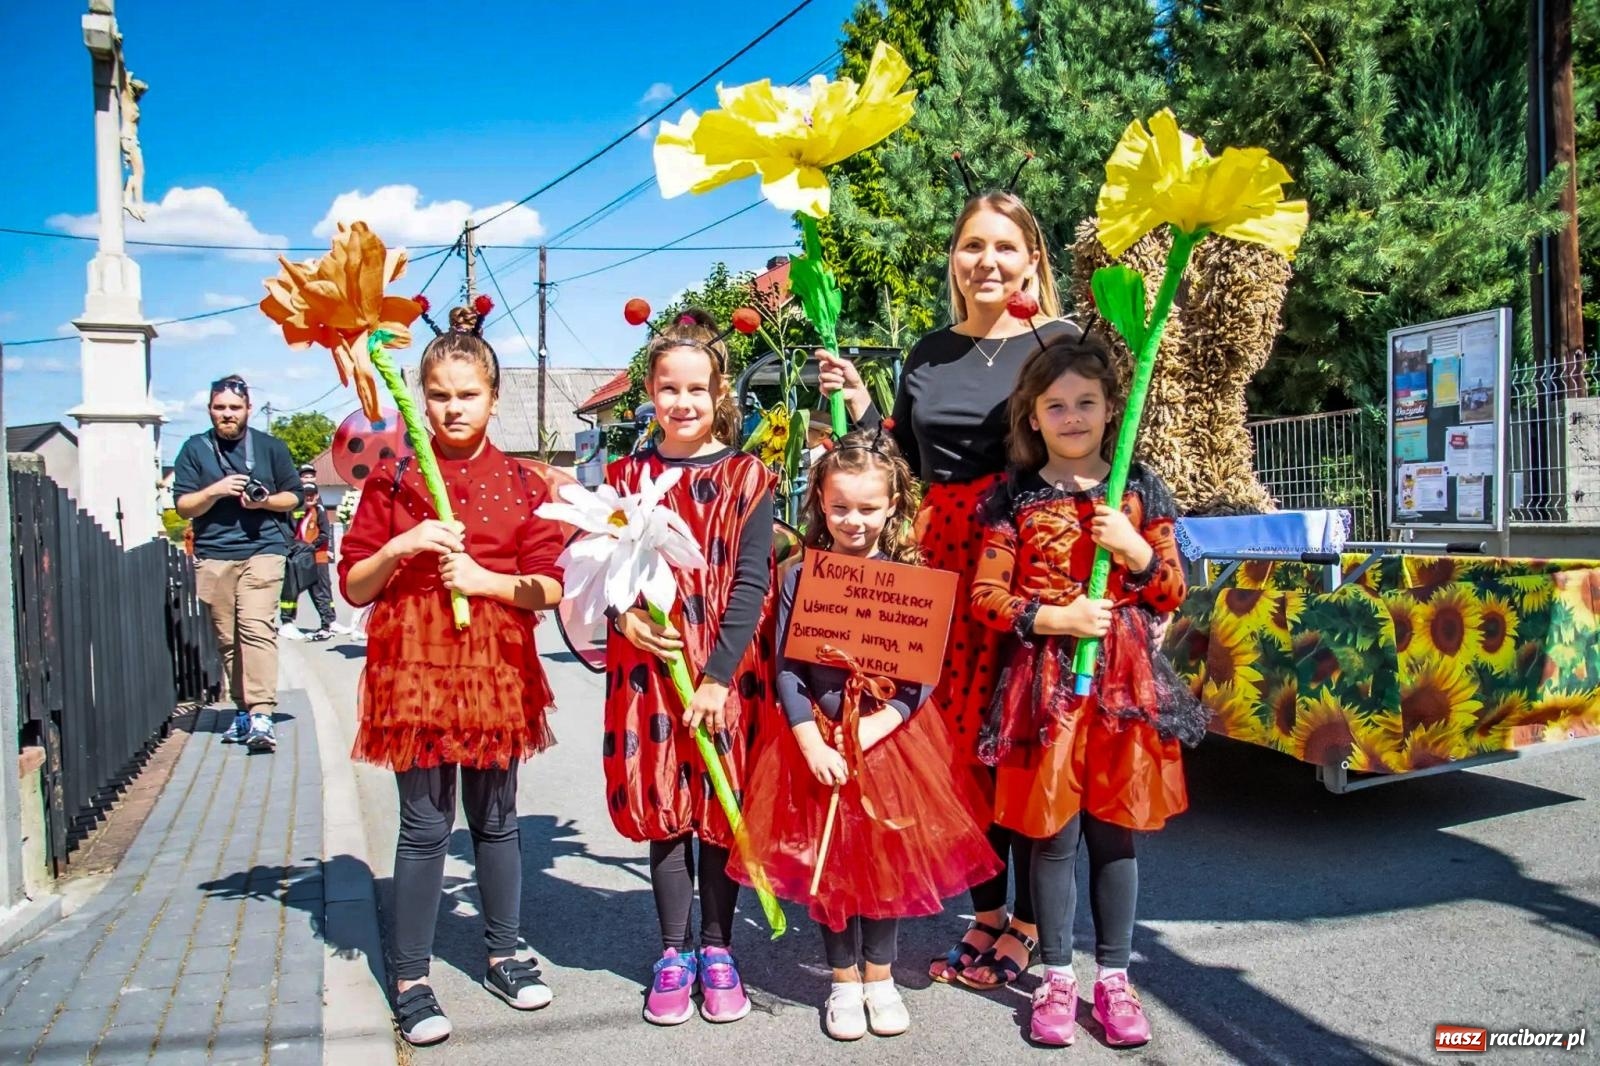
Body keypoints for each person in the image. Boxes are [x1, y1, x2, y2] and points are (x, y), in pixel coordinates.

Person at [818, 191, 1077, 987]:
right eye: (972, 246)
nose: (986, 262)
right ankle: (987, 910)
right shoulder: (928, 351)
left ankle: (1030, 922)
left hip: (1026, 552)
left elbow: (1093, 439)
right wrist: (860, 404)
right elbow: (901, 457)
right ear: (954, 257)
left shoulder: (1059, 341)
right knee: (956, 742)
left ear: (1032, 258)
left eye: (1004, 247)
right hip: (939, 561)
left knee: (1024, 736)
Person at [970, 331, 1206, 1047]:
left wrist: (1134, 551)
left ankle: (1114, 978)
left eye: (1086, 403)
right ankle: (1055, 978)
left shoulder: (1138, 491)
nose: (1072, 417)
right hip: (1043, 691)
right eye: (1056, 405)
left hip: (1122, 689)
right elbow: (986, 595)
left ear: (1111, 410)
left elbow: (1170, 590)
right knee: (1050, 837)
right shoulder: (1013, 497)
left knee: (1114, 835)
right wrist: (1054, 617)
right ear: (1032, 415)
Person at [338, 305, 566, 1046]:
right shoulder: (394, 478)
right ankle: (410, 977)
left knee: (496, 819)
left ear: (494, 398)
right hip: (416, 665)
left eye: (468, 394)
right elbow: (355, 585)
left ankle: (504, 952)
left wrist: (483, 580)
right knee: (426, 825)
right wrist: (402, 543)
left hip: (496, 664)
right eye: (438, 395)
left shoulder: (525, 482)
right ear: (421, 398)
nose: (453, 408)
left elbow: (550, 584)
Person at [734, 428, 999, 1042]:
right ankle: (843, 980)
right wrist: (810, 740)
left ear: (893, 506)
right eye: (840, 508)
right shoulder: (801, 577)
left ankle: (879, 978)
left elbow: (922, 675)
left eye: (868, 508)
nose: (854, 521)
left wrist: (881, 724)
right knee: (832, 864)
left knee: (885, 863)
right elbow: (788, 668)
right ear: (820, 506)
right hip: (819, 741)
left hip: (889, 745)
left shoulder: (912, 578)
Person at [603, 309, 775, 1027]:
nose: (682, 402)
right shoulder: (624, 477)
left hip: (724, 669)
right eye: (669, 388)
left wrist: (717, 677)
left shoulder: (748, 476)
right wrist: (624, 617)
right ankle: (673, 952)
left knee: (721, 806)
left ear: (719, 391)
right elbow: (600, 570)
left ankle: (718, 948)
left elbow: (752, 584)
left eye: (696, 389)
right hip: (649, 669)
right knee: (666, 805)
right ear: (650, 391)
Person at [173, 375, 304, 752]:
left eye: (235, 407)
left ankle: (262, 712)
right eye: (220, 408)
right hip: (214, 553)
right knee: (228, 638)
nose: (227, 414)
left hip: (264, 548)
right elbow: (183, 506)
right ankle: (243, 709)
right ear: (209, 410)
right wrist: (216, 491)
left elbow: (294, 497)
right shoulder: (194, 450)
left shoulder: (270, 447)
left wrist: (264, 501)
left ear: (248, 409)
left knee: (255, 626)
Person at [279, 464, 338, 641]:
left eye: (312, 494)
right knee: (291, 589)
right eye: (306, 494)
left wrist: (311, 547)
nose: (309, 497)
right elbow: (287, 530)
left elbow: (325, 533)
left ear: (317, 495)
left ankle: (328, 622)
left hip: (315, 556)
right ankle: (287, 623)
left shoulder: (319, 510)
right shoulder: (292, 508)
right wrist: (294, 548)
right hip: (295, 556)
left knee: (320, 590)